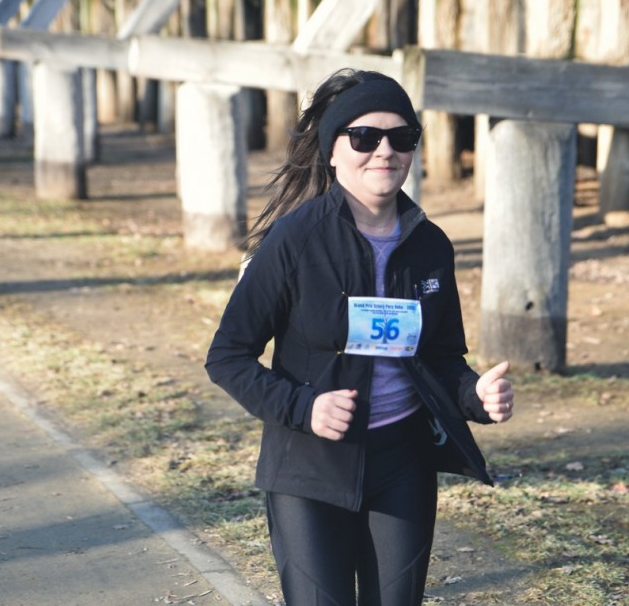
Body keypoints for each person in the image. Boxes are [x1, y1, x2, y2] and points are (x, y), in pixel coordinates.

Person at [205, 68, 514, 606]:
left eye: (402, 137)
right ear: (332, 150)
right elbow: (227, 356)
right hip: (309, 466)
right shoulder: (295, 240)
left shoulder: (431, 245)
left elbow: (441, 357)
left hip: (403, 462)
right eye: (365, 137)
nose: (384, 151)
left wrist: (475, 396)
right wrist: (305, 408)